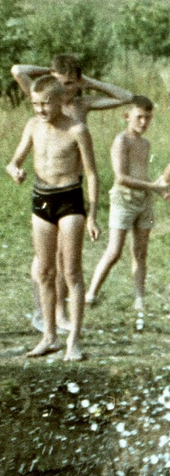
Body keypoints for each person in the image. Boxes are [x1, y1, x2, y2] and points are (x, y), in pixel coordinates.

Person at [11, 55, 135, 331]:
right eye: (58, 83)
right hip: (47, 187)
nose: (63, 89)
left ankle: (56, 316)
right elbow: (18, 70)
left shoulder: (82, 105)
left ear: (78, 83)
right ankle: (49, 315)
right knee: (48, 260)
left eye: (69, 84)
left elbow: (126, 96)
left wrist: (86, 81)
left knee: (66, 262)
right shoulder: (43, 103)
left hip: (72, 186)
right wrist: (52, 74)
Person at [6, 74, 102, 361]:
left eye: (46, 104)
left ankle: (74, 339)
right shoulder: (33, 126)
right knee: (45, 272)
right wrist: (14, 171)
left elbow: (93, 175)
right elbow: (15, 160)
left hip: (70, 198)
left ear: (61, 100)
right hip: (41, 198)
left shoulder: (77, 130)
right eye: (35, 104)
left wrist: (93, 214)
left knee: (71, 271)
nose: (40, 110)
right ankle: (49, 336)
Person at [86, 96, 168, 323]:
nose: (143, 122)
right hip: (123, 200)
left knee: (140, 252)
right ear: (127, 116)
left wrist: (159, 189)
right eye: (139, 117)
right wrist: (155, 186)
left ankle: (139, 299)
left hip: (144, 201)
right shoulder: (121, 141)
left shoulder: (145, 143)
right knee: (115, 251)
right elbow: (121, 177)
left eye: (148, 117)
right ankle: (91, 294)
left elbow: (141, 174)